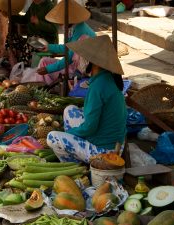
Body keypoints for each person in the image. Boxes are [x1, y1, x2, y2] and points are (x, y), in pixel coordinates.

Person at [47, 35, 127, 163]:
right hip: (114, 143)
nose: (78, 59)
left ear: (93, 62)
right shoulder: (107, 78)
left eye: (82, 57)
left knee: (52, 137)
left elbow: (90, 127)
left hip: (105, 152)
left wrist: (69, 133)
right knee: (70, 110)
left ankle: (73, 165)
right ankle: (76, 150)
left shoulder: (98, 86)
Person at [36, 0, 96, 85]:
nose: (60, 23)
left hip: (85, 69)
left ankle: (49, 88)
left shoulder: (81, 31)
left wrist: (48, 69)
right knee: (44, 61)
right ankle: (46, 87)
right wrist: (49, 47)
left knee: (47, 66)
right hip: (75, 64)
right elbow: (67, 47)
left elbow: (69, 58)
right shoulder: (72, 27)